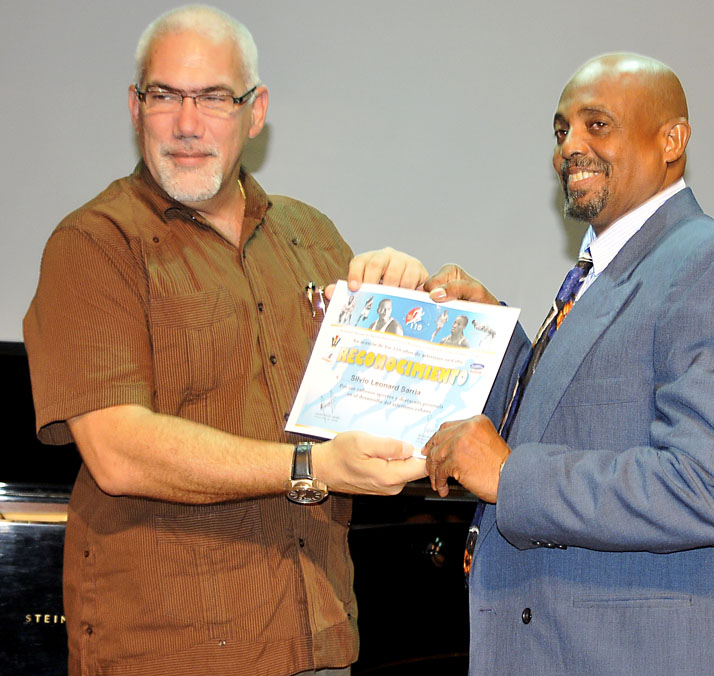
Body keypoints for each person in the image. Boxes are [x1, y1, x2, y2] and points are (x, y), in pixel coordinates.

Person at [23, 6, 426, 676]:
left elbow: (372, 413)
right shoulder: (94, 242)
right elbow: (118, 451)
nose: (187, 123)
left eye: (213, 97)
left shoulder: (311, 236)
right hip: (169, 652)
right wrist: (310, 468)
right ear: (135, 107)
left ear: (255, 111)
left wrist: (416, 305)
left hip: (319, 639)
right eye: (165, 96)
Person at [423, 53, 714, 675]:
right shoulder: (605, 269)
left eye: (597, 125)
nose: (570, 146)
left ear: (672, 141)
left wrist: (512, 477)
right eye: (561, 129)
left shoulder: (708, 264)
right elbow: (571, 417)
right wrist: (488, 333)